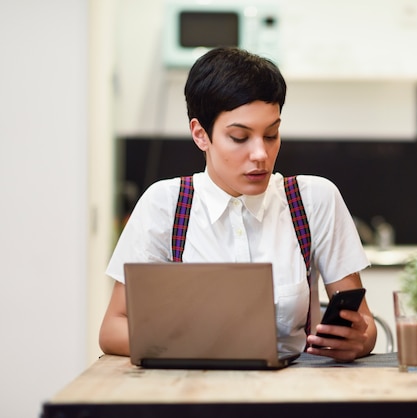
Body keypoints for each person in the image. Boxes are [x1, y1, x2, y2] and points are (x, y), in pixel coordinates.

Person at [99, 47, 377, 362]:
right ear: (201, 134)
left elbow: (365, 327)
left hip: (294, 392)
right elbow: (113, 329)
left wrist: (359, 339)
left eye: (271, 135)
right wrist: (213, 346)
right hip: (191, 394)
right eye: (240, 138)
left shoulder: (313, 200)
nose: (260, 154)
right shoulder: (166, 205)